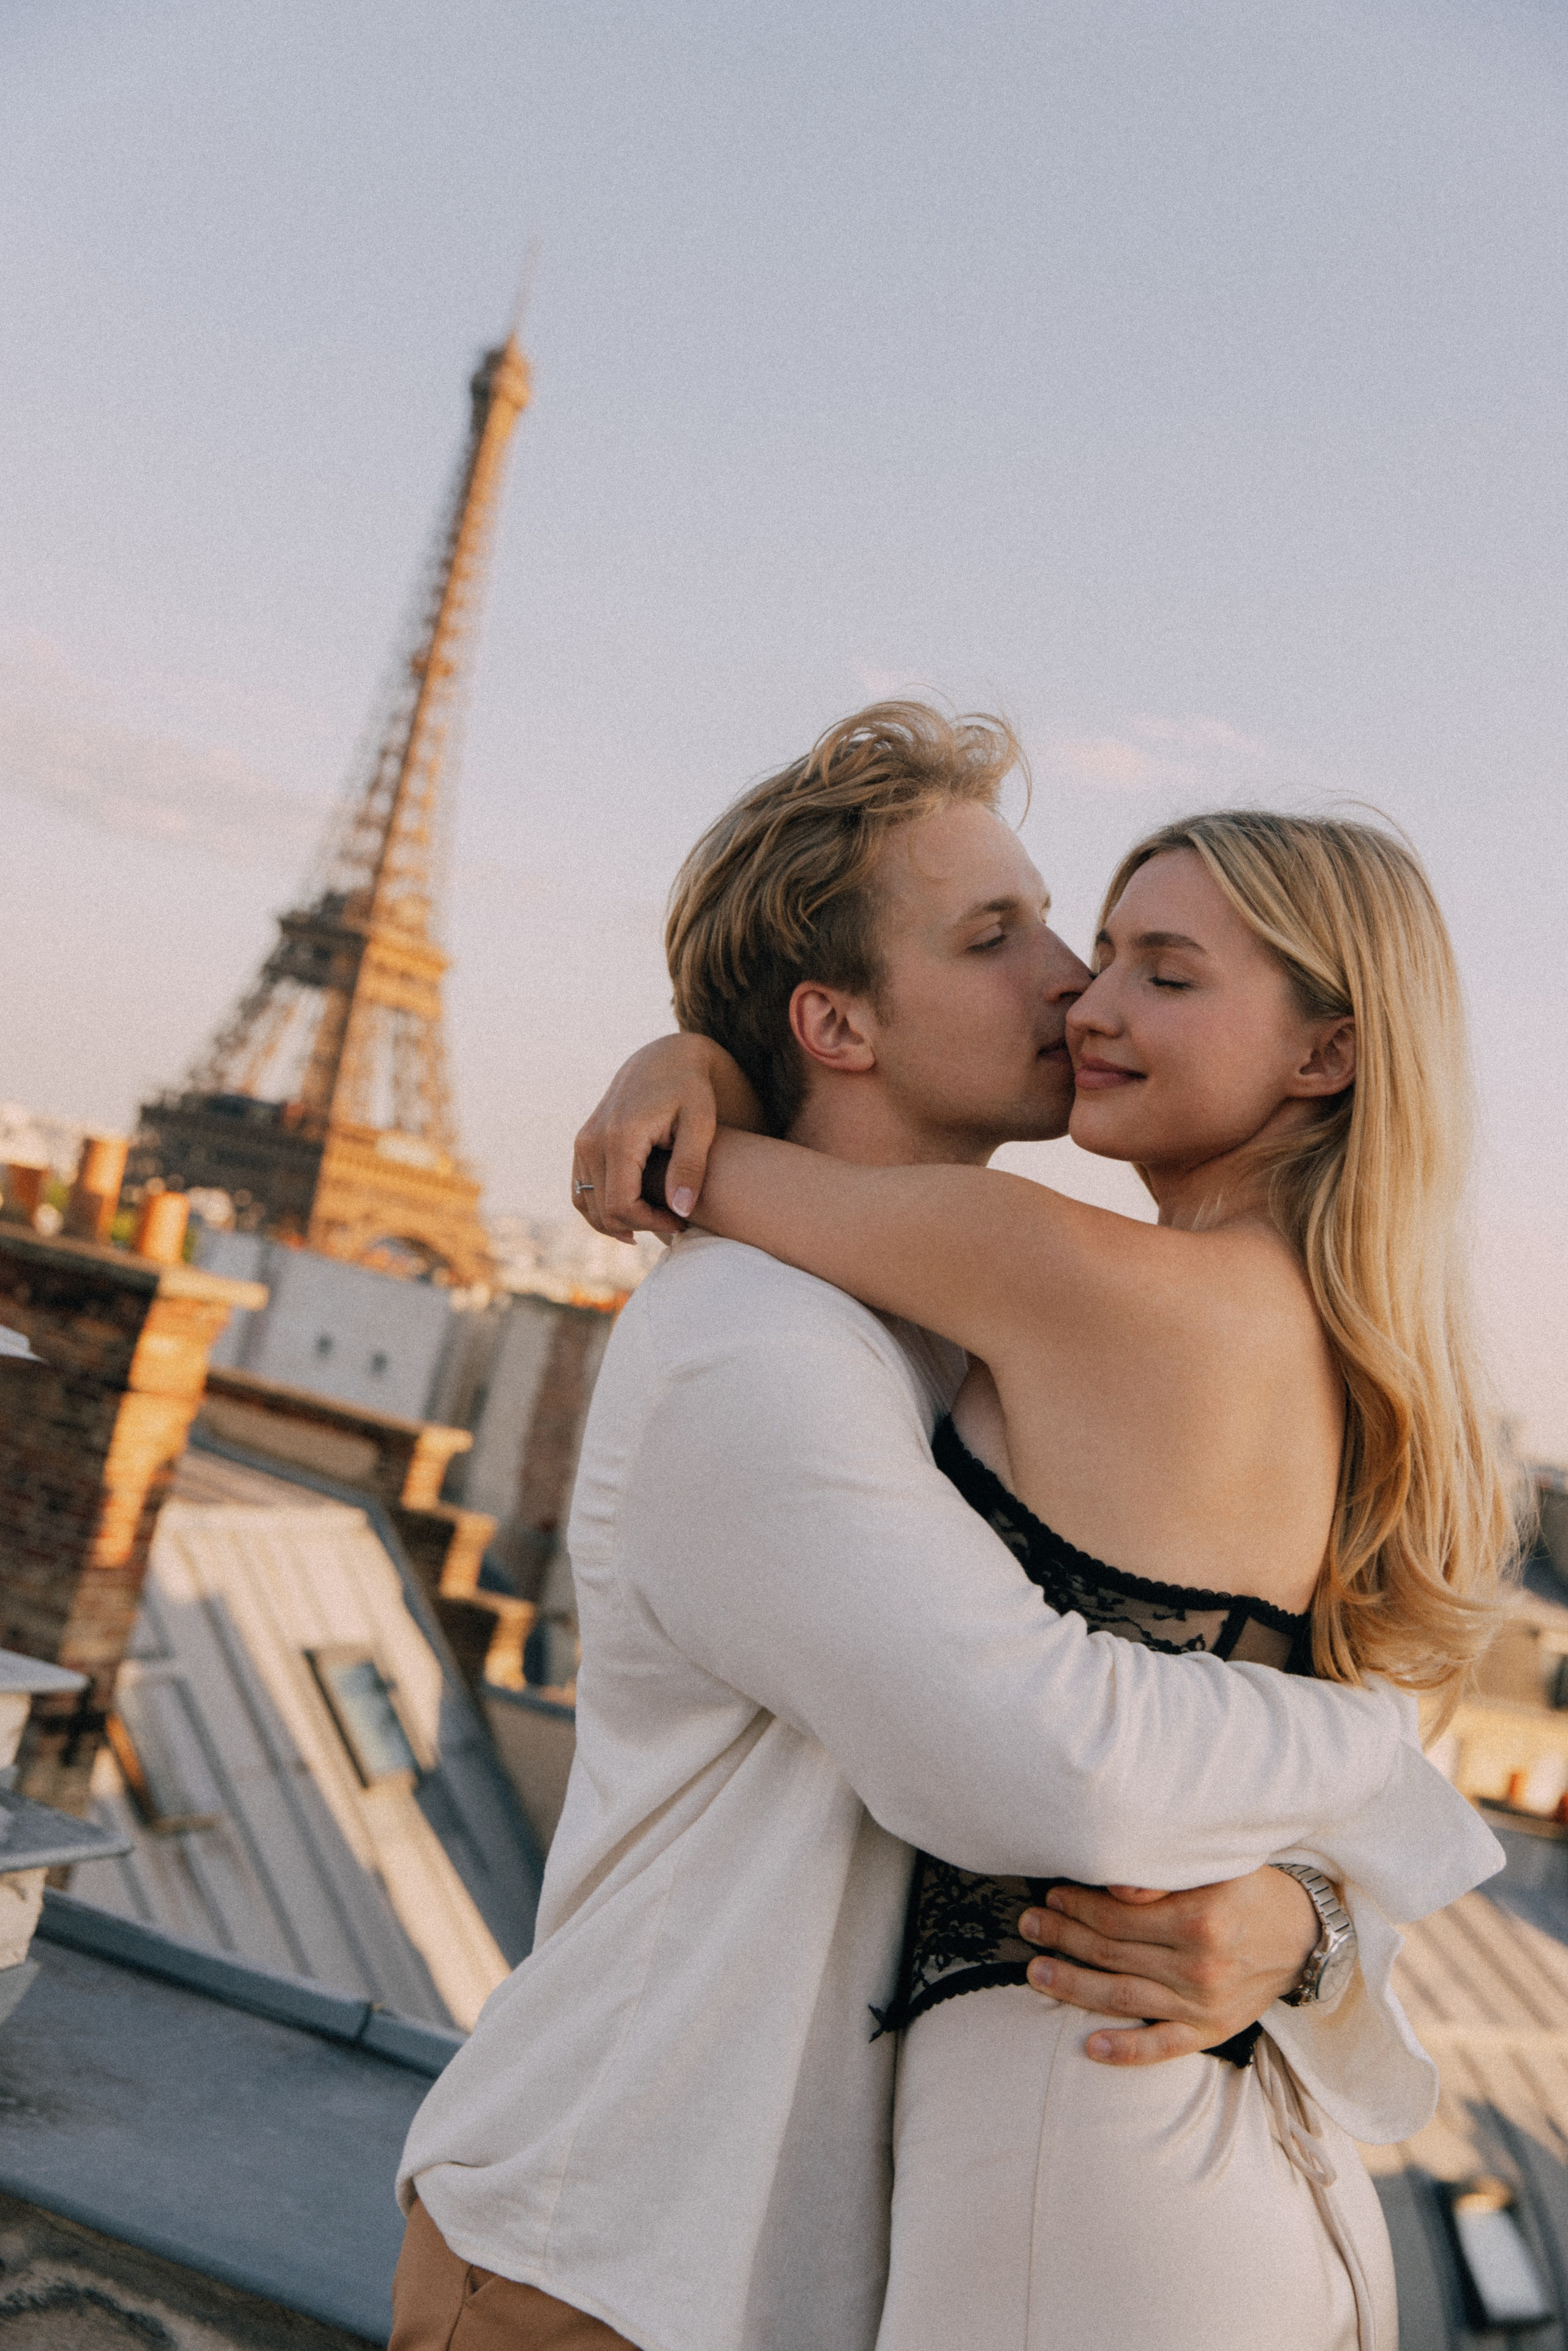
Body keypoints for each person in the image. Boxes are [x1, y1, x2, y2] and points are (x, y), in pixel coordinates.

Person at [393, 706, 1501, 2351]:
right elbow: (1048, 1763)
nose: (1074, 985)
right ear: (834, 1021)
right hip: (624, 2265)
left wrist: (1306, 1922)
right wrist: (1369, 1767)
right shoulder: (755, 1350)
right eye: (1006, 937)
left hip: (856, 2251)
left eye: (1112, 947)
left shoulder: (998, 1328)